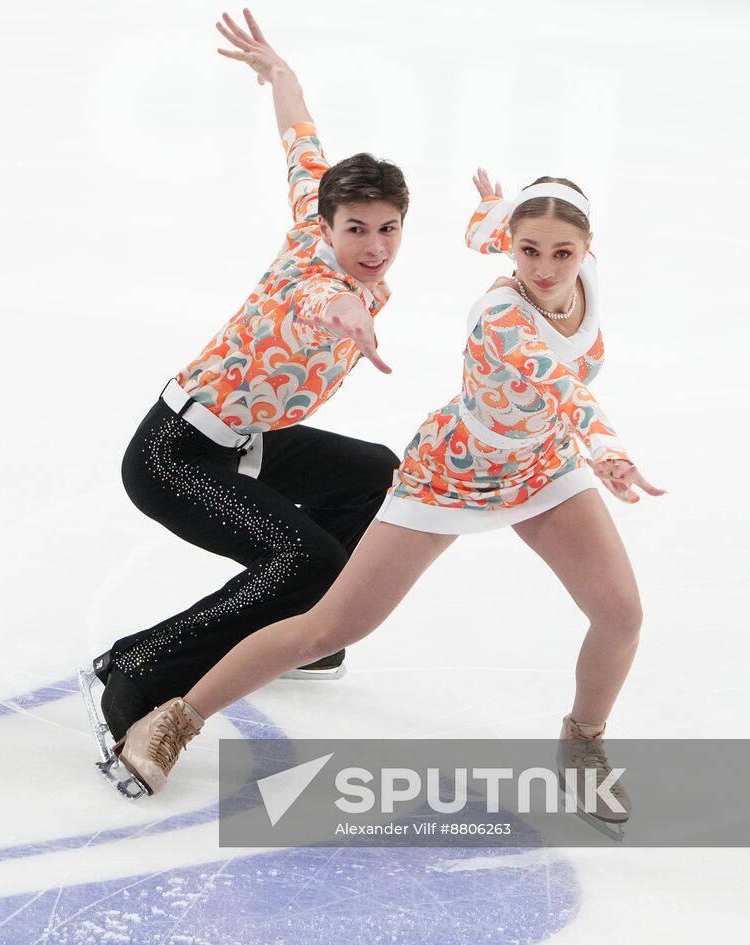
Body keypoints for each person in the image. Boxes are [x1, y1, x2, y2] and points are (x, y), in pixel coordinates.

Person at [113, 168, 665, 831]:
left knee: (621, 612)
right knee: (330, 627)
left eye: (562, 253)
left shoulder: (575, 265)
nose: (544, 268)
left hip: (543, 465)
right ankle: (173, 719)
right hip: (455, 471)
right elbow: (564, 385)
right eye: (528, 250)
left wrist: (492, 209)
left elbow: (485, 227)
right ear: (512, 248)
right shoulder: (500, 316)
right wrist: (607, 449)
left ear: (588, 247)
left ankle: (582, 744)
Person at [80, 9, 411, 786]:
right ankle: (135, 670)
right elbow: (314, 305)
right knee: (303, 556)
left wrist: (282, 75)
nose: (372, 246)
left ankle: (305, 630)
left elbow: (302, 146)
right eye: (357, 228)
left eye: (388, 229)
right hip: (173, 455)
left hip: (242, 440)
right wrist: (346, 310)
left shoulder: (310, 219)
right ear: (329, 227)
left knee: (373, 473)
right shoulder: (317, 278)